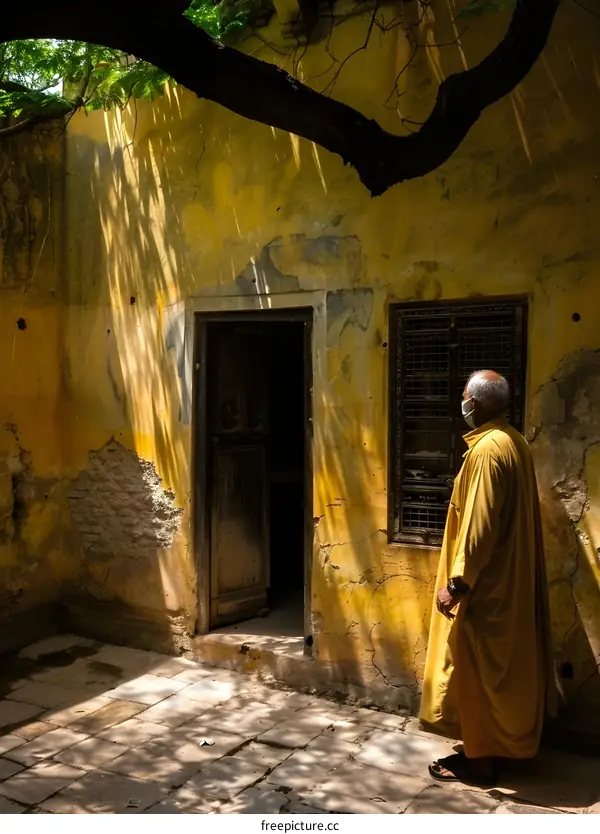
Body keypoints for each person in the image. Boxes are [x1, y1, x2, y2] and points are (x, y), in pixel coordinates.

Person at [419, 369, 555, 787]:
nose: (462, 405)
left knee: (476, 670)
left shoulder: (487, 451)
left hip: (486, 587)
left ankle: (480, 762)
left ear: (474, 404)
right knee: (502, 672)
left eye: (463, 397)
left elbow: (479, 526)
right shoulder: (513, 441)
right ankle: (494, 745)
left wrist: (457, 585)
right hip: (506, 582)